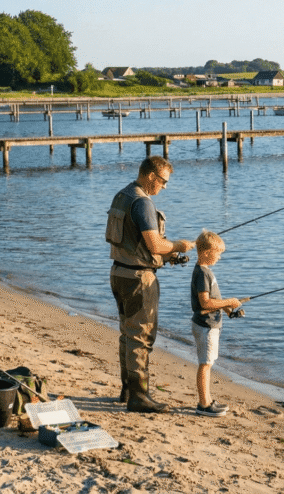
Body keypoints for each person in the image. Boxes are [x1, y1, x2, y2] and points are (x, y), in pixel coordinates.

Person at [106, 156, 195, 413]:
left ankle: (127, 389)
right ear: (151, 176)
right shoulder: (143, 203)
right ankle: (138, 396)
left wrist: (168, 257)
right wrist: (177, 245)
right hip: (138, 279)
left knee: (127, 333)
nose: (164, 187)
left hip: (119, 273)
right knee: (140, 336)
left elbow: (134, 242)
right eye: (163, 181)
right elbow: (155, 244)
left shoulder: (122, 196)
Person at [190, 230, 247, 417]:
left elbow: (215, 300)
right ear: (206, 253)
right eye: (218, 253)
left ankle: (206, 400)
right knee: (205, 364)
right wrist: (230, 301)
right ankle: (204, 404)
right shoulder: (203, 274)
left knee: (207, 363)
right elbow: (205, 303)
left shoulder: (206, 272)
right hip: (206, 327)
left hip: (210, 326)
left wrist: (229, 310)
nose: (220, 257)